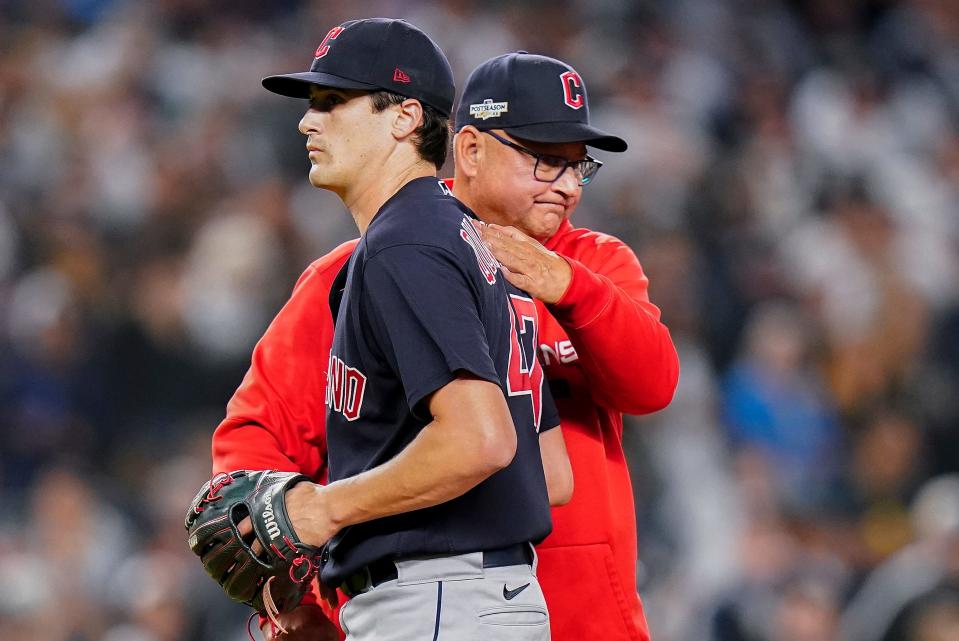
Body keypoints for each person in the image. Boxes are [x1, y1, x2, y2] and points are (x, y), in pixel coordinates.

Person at [215, 48, 679, 641]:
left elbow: (651, 385)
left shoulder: (594, 265)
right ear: (469, 149)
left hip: (578, 617)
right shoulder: (361, 271)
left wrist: (566, 286)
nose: (566, 186)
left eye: (577, 166)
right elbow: (256, 438)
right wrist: (298, 594)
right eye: (543, 161)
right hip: (424, 595)